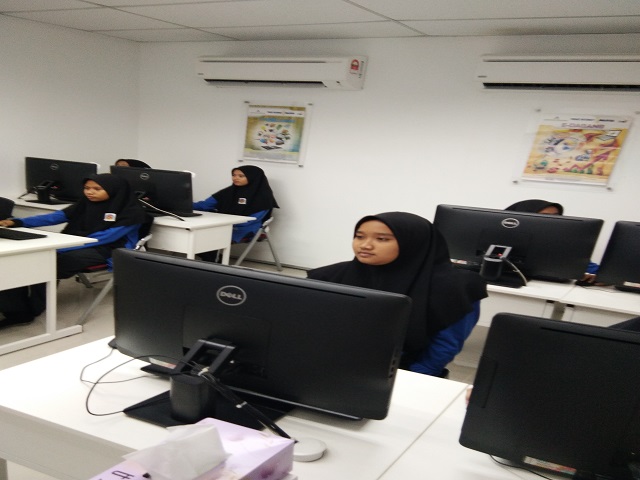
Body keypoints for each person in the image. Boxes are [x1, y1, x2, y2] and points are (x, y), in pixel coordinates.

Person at [307, 212, 488, 377]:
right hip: (331, 365)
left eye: (382, 239)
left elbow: (445, 345)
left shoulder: (455, 287)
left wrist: (413, 378)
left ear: (412, 243)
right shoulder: (328, 277)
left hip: (407, 371)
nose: (365, 245)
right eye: (359, 236)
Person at [0, 174, 149, 328]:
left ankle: (28, 311)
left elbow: (106, 238)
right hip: (75, 244)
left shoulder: (132, 212)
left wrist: (61, 247)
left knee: (47, 265)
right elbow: (55, 217)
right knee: (23, 261)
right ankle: (14, 308)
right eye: (87, 188)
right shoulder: (85, 203)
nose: (90, 192)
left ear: (114, 190)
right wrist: (18, 222)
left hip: (106, 250)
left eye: (97, 189)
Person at [193, 165, 279, 262]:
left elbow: (252, 220)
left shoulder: (263, 197)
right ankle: (214, 260)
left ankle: (213, 262)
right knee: (195, 235)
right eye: (234, 175)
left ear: (253, 178)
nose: (235, 178)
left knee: (209, 237)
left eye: (241, 176)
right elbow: (205, 205)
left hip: (245, 228)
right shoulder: (228, 192)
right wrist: (184, 204)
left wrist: (224, 224)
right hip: (222, 225)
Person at [505, 199, 599, 280]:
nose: (553, 220)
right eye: (545, 216)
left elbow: (594, 270)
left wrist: (597, 277)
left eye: (557, 216)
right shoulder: (503, 239)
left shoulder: (563, 244)